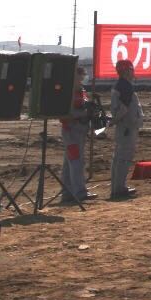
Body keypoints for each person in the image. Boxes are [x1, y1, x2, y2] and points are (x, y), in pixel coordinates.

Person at [108, 58, 144, 200]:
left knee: (119, 157)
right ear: (127, 71)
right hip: (127, 127)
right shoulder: (125, 87)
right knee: (123, 158)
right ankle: (119, 189)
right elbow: (123, 109)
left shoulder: (120, 85)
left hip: (124, 127)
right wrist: (115, 121)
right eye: (131, 69)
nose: (133, 72)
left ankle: (117, 187)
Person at [59, 65, 93, 204]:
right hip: (71, 130)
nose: (84, 78)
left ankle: (67, 193)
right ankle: (80, 192)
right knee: (76, 161)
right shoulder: (68, 93)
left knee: (69, 163)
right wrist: (84, 113)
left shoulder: (81, 91)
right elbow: (66, 114)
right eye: (82, 75)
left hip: (79, 130)